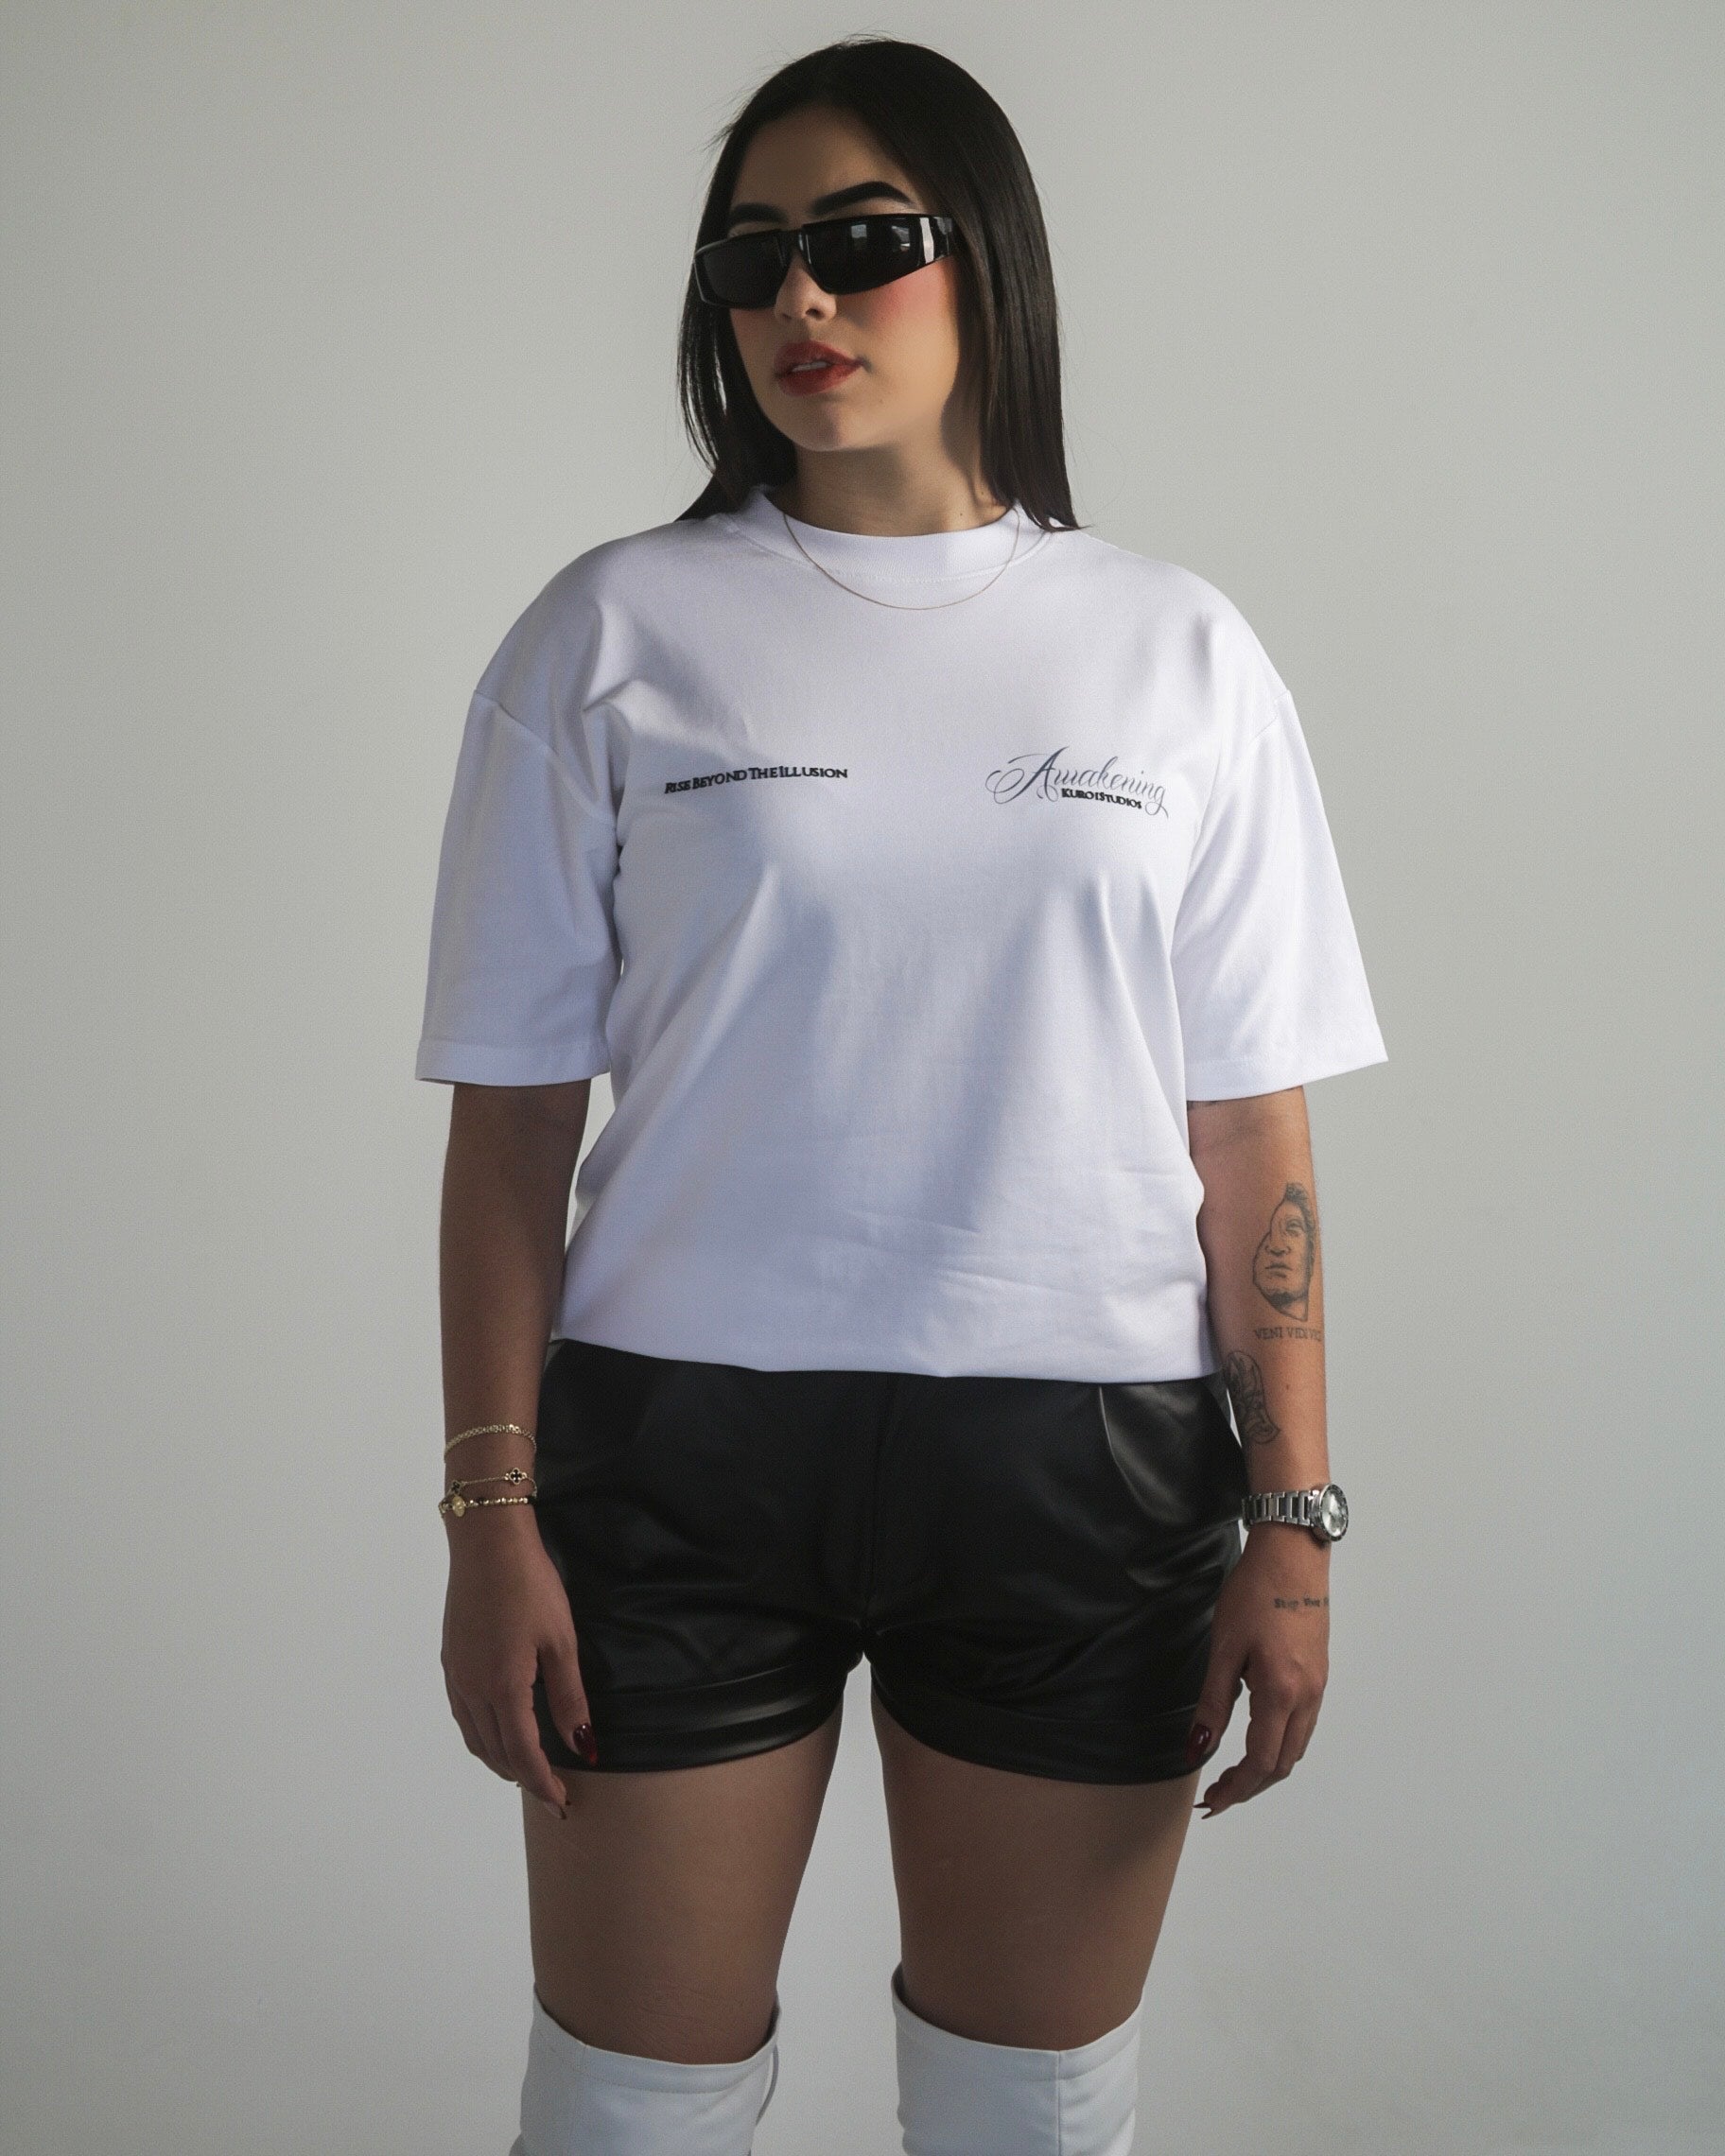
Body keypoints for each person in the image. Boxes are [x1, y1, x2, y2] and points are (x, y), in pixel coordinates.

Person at [414, 35, 1387, 2156]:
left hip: (1081, 1468)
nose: (802, 299)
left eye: (864, 241)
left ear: (987, 261)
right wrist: (491, 1512)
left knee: (1029, 2117)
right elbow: (511, 1131)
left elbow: (1254, 1141)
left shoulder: (1179, 655)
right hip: (676, 1460)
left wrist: (1295, 1526)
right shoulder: (608, 635)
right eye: (751, 257)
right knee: (627, 2115)